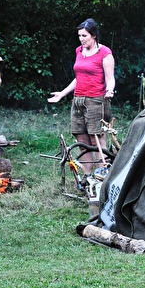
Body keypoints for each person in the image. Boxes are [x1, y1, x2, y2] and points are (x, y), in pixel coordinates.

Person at [47, 18, 115, 172]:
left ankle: (102, 176)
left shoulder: (105, 53)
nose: (81, 39)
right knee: (81, 138)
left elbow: (110, 78)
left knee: (96, 138)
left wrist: (110, 90)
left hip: (96, 100)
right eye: (79, 36)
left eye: (84, 36)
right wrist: (62, 94)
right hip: (78, 100)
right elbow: (79, 77)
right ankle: (88, 176)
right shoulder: (79, 51)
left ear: (94, 35)